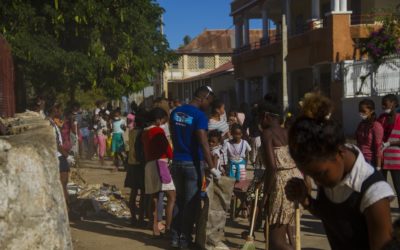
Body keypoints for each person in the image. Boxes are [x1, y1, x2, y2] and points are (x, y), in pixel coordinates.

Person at [286, 93, 394, 250]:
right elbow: (330, 215)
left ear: (339, 153)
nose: (317, 182)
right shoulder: (330, 175)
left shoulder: (374, 193)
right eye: (311, 175)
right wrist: (305, 198)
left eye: (320, 174)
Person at [169, 85, 220, 249]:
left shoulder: (175, 112)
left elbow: (173, 135)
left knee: (179, 201)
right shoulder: (200, 116)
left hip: (176, 162)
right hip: (192, 164)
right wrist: (212, 167)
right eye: (209, 101)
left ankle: (174, 237)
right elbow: (203, 142)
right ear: (204, 97)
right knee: (191, 203)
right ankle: (185, 239)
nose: (209, 105)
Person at [256, 102, 302, 250]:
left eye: (259, 117)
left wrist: (265, 194)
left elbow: (272, 167)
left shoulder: (267, 133)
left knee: (276, 242)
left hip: (281, 184)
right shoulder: (288, 131)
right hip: (295, 180)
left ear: (266, 116)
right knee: (287, 231)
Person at [142, 108, 175, 237]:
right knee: (172, 196)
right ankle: (169, 228)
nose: (163, 123)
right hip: (160, 164)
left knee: (154, 197)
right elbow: (167, 148)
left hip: (149, 165)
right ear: (158, 119)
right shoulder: (158, 131)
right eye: (163, 120)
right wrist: (172, 156)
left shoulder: (145, 133)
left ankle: (155, 227)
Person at [378, 94, 400, 208]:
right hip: (381, 158)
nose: (383, 106)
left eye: (385, 104)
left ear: (394, 104)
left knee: (398, 187)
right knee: (381, 188)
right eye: (382, 104)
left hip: (396, 160)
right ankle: (384, 210)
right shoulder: (381, 118)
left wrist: (390, 143)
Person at [356, 99, 384, 169]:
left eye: (363, 111)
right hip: (361, 159)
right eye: (360, 111)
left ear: (371, 111)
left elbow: (378, 147)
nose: (361, 113)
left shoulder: (376, 126)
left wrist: (378, 166)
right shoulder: (361, 125)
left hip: (371, 161)